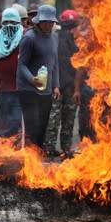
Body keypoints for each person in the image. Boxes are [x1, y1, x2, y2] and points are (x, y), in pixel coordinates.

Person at [17, 4, 60, 151]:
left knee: (42, 126)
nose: (48, 24)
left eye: (51, 22)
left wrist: (56, 85)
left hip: (46, 90)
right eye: (45, 21)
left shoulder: (54, 37)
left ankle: (37, 160)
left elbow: (54, 64)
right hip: (28, 90)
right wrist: (31, 79)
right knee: (32, 128)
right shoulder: (29, 38)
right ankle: (29, 161)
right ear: (38, 21)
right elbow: (21, 65)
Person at [44, 9, 80, 159]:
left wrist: (76, 89)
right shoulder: (54, 41)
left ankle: (60, 148)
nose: (70, 30)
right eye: (69, 26)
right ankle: (54, 148)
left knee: (62, 120)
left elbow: (79, 68)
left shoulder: (73, 43)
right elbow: (50, 65)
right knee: (59, 119)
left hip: (65, 87)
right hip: (59, 87)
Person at [0, 8, 23, 139]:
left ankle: (2, 138)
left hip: (20, 87)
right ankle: (5, 147)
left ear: (18, 23)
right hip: (2, 88)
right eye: (6, 22)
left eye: (13, 22)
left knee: (16, 119)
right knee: (5, 119)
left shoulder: (24, 38)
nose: (9, 25)